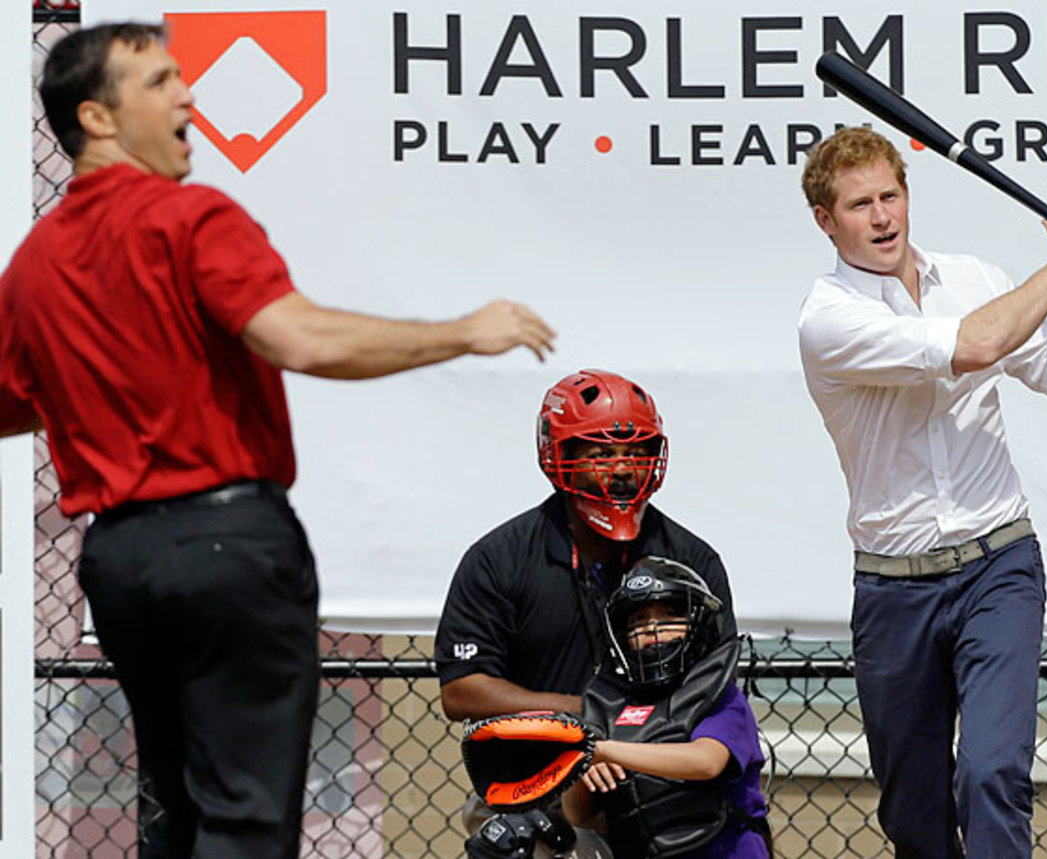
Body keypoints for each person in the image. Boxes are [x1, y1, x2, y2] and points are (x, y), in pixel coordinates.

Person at [0, 22, 556, 859]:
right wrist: (463, 332)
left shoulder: (36, 260)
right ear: (98, 118)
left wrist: (97, 380)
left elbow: (12, 404)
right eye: (157, 82)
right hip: (227, 546)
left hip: (118, 559)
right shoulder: (186, 217)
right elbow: (301, 340)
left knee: (181, 812)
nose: (188, 95)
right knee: (245, 817)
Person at [796, 125, 1047, 857]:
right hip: (894, 590)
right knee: (917, 815)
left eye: (891, 195)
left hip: (998, 566)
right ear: (826, 220)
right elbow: (974, 345)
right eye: (860, 204)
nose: (883, 216)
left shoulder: (976, 279)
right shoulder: (829, 318)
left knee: (992, 773)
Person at [435, 369, 737, 856]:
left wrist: (624, 737)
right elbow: (462, 690)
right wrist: (589, 717)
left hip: (659, 783)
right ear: (560, 453)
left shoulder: (691, 560)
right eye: (600, 453)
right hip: (533, 782)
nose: (622, 468)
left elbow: (714, 680)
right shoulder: (499, 557)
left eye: (636, 452)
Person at [563, 556, 770, 859]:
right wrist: (581, 770)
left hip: (724, 851)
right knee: (531, 840)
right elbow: (577, 816)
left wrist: (606, 750)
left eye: (670, 616)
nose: (653, 630)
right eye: (639, 620)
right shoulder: (610, 706)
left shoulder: (719, 696)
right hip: (642, 850)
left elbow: (706, 762)